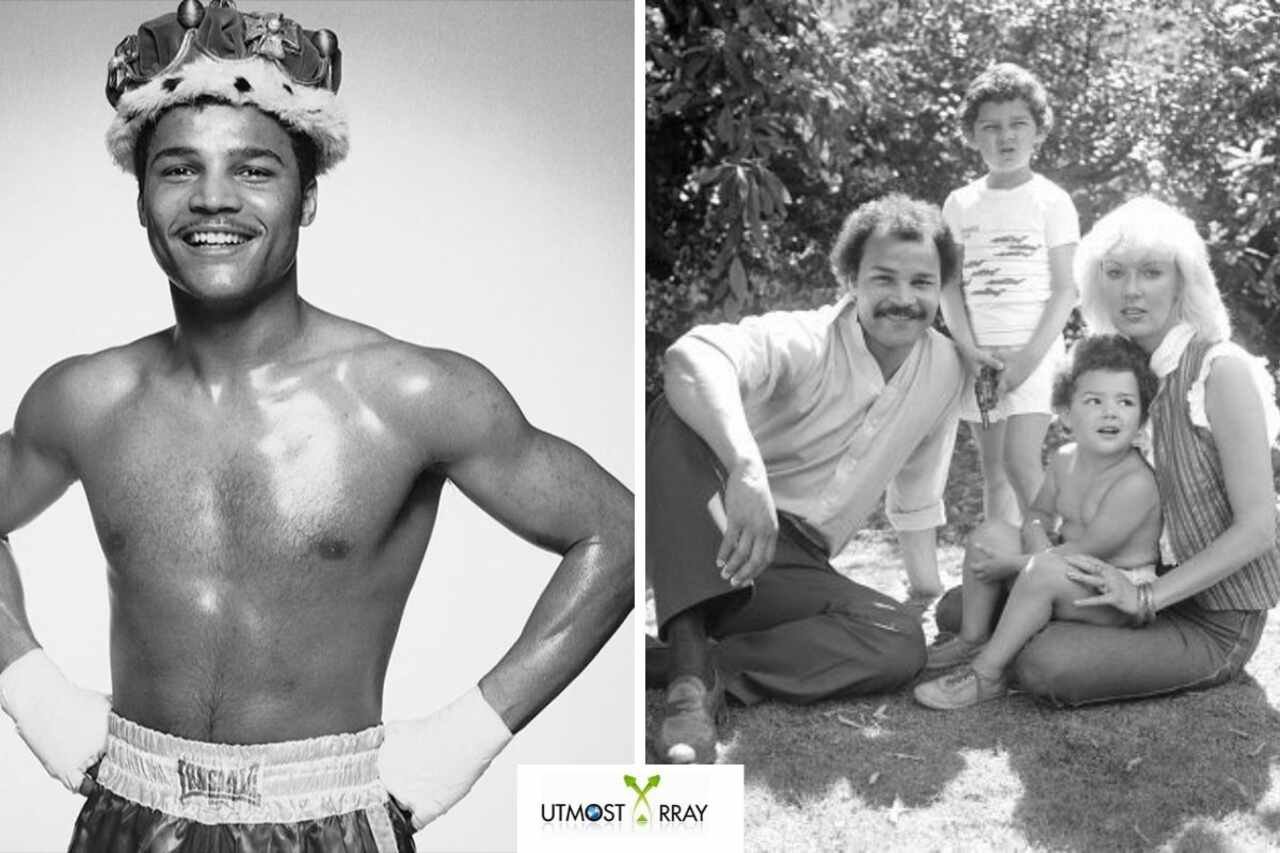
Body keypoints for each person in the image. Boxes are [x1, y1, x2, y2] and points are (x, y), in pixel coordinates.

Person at [0, 3, 633, 851]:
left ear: (308, 198)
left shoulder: (410, 392)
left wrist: (462, 742)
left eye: (254, 170)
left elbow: (618, 533)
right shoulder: (83, 397)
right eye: (178, 169)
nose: (212, 199)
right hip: (124, 811)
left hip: (330, 822)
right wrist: (31, 689)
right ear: (141, 200)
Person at [647, 194, 965, 763]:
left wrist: (925, 588)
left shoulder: (945, 368)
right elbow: (691, 356)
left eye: (922, 282)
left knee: (897, 642)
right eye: (883, 278)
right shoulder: (806, 339)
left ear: (942, 289)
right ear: (850, 279)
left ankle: (681, 664)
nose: (903, 299)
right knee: (673, 412)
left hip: (790, 568)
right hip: (720, 529)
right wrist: (745, 469)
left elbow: (918, 486)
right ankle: (689, 682)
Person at [936, 196, 1280, 705]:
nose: (1132, 290)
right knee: (958, 606)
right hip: (1127, 580)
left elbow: (1260, 528)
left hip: (1210, 618)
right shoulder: (1127, 374)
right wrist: (1040, 551)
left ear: (1183, 281)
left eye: (1152, 272)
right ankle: (1013, 628)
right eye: (1115, 272)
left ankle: (1014, 650)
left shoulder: (1220, 370)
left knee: (1045, 664)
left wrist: (1145, 596)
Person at [914, 334, 1161, 709]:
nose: (1110, 412)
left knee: (1040, 572)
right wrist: (1035, 541)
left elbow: (1091, 549)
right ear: (1065, 413)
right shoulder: (1065, 458)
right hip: (1061, 566)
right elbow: (1039, 513)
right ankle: (972, 637)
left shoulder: (1136, 483)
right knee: (990, 534)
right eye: (1094, 401)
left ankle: (987, 675)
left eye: (1125, 402)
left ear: (1142, 417)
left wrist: (1020, 565)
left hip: (1114, 591)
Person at [939, 62, 1080, 525]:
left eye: (1019, 124)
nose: (1006, 137)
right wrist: (969, 349)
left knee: (1022, 460)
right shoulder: (960, 203)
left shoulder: (1052, 200)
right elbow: (949, 285)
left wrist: (1024, 363)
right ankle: (999, 566)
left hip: (1034, 352)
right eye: (991, 127)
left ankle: (1057, 553)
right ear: (972, 135)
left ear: (1038, 131)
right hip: (979, 354)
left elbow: (1064, 291)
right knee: (993, 469)